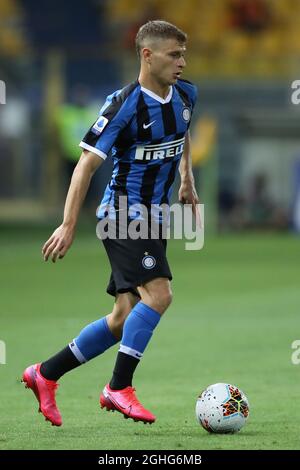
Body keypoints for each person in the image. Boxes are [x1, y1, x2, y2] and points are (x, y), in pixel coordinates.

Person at [22, 20, 199, 426]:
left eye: (184, 54)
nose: (182, 63)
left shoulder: (187, 94)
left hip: (154, 218)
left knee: (123, 317)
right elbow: (85, 166)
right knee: (160, 295)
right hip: (123, 214)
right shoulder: (123, 105)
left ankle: (45, 374)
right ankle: (118, 388)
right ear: (147, 55)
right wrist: (67, 225)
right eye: (174, 55)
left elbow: (183, 131)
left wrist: (186, 179)